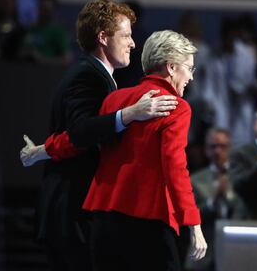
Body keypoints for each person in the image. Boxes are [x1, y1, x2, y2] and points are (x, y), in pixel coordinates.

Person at [20, 0, 178, 271]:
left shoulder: (98, 76)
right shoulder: (87, 75)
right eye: (126, 36)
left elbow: (76, 135)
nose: (132, 43)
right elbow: (81, 132)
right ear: (103, 37)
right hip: (72, 213)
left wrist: (41, 152)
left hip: (77, 214)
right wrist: (131, 113)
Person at [82, 30, 207, 271]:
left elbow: (87, 138)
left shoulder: (115, 99)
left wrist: (47, 149)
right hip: (148, 220)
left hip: (102, 217)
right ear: (171, 67)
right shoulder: (177, 107)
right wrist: (193, 223)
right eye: (189, 68)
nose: (191, 77)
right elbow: (175, 167)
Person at [190, 128, 244, 270]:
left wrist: (228, 197)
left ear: (230, 148)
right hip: (204, 253)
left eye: (223, 146)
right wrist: (211, 202)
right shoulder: (194, 180)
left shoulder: (241, 177)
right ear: (206, 150)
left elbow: (245, 209)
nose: (217, 151)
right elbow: (189, 216)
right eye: (213, 146)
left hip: (237, 249)